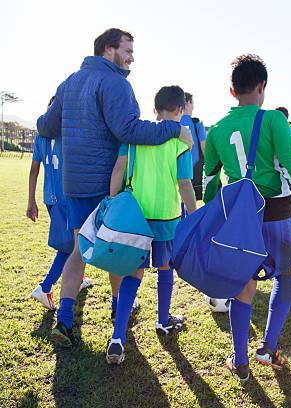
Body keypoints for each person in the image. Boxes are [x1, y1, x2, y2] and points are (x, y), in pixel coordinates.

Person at [36, 28, 194, 347]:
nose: (132, 57)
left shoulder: (69, 82)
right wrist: (174, 129)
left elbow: (46, 126)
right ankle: (116, 310)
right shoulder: (115, 83)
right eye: (127, 50)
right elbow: (128, 129)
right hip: (104, 183)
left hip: (73, 183)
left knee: (79, 251)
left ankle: (65, 320)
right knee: (119, 247)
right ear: (109, 49)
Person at [203, 54, 291, 382]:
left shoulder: (217, 128)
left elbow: (208, 180)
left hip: (239, 220)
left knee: (242, 287)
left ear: (231, 90)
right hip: (278, 215)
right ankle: (267, 347)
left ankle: (239, 358)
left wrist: (209, 217)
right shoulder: (276, 120)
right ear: (262, 87)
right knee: (285, 279)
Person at [105, 85, 197, 364]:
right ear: (181, 110)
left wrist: (111, 202)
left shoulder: (134, 137)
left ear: (155, 109)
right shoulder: (180, 142)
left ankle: (118, 337)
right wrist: (193, 216)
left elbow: (119, 169)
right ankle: (162, 320)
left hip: (135, 216)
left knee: (133, 274)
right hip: (167, 218)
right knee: (165, 268)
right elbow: (184, 184)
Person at [26, 123, 93, 310]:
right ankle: (45, 286)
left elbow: (34, 170)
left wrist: (31, 200)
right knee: (70, 246)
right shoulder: (69, 133)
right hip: (68, 196)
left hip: (50, 197)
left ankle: (78, 279)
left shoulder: (41, 136)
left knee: (75, 240)